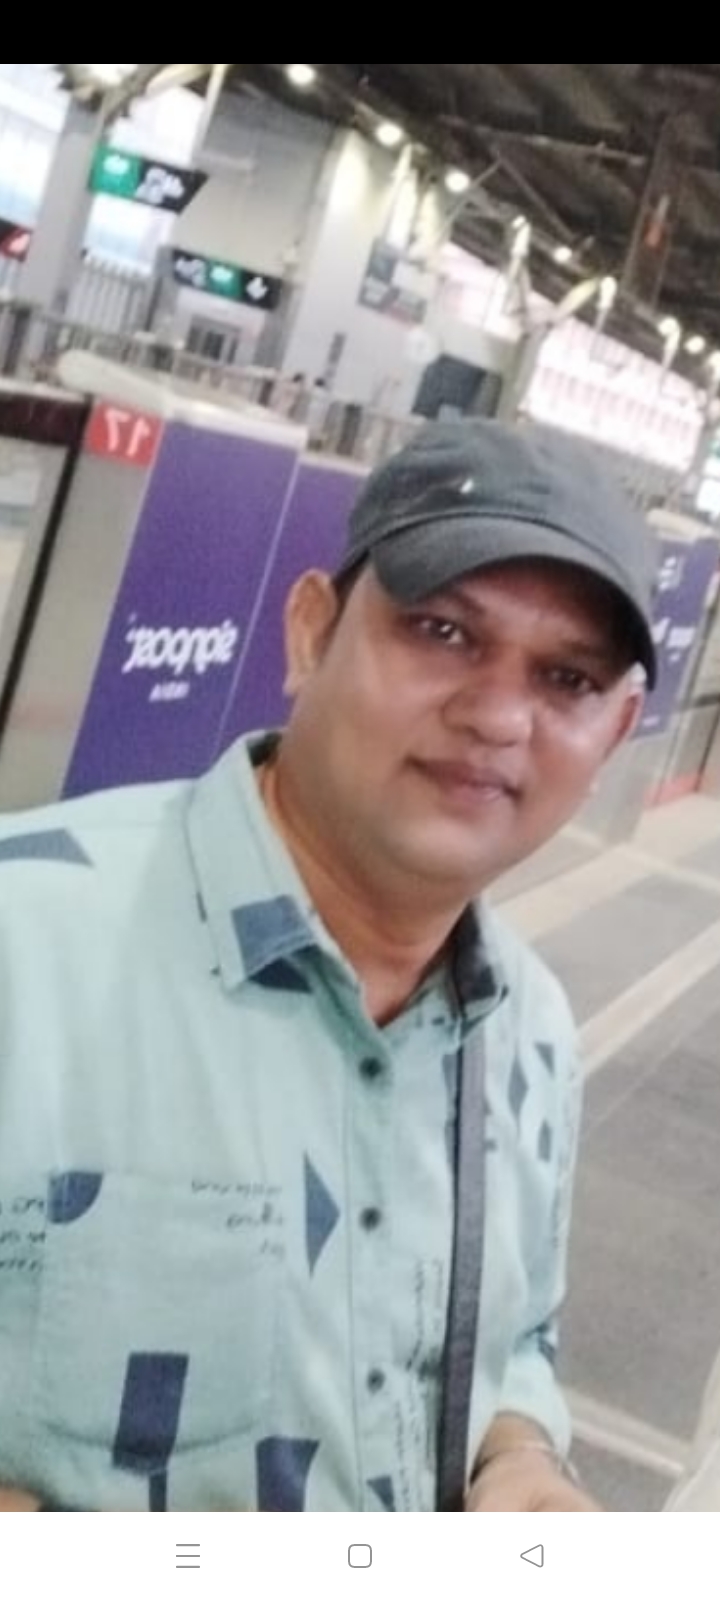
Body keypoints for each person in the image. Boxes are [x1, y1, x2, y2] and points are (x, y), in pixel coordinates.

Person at [0, 419, 657, 1514]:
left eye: (567, 677)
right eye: (443, 631)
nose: (499, 716)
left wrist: (519, 1454)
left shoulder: (531, 1029)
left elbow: (516, 1341)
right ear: (310, 633)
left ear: (617, 730)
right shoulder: (26, 943)